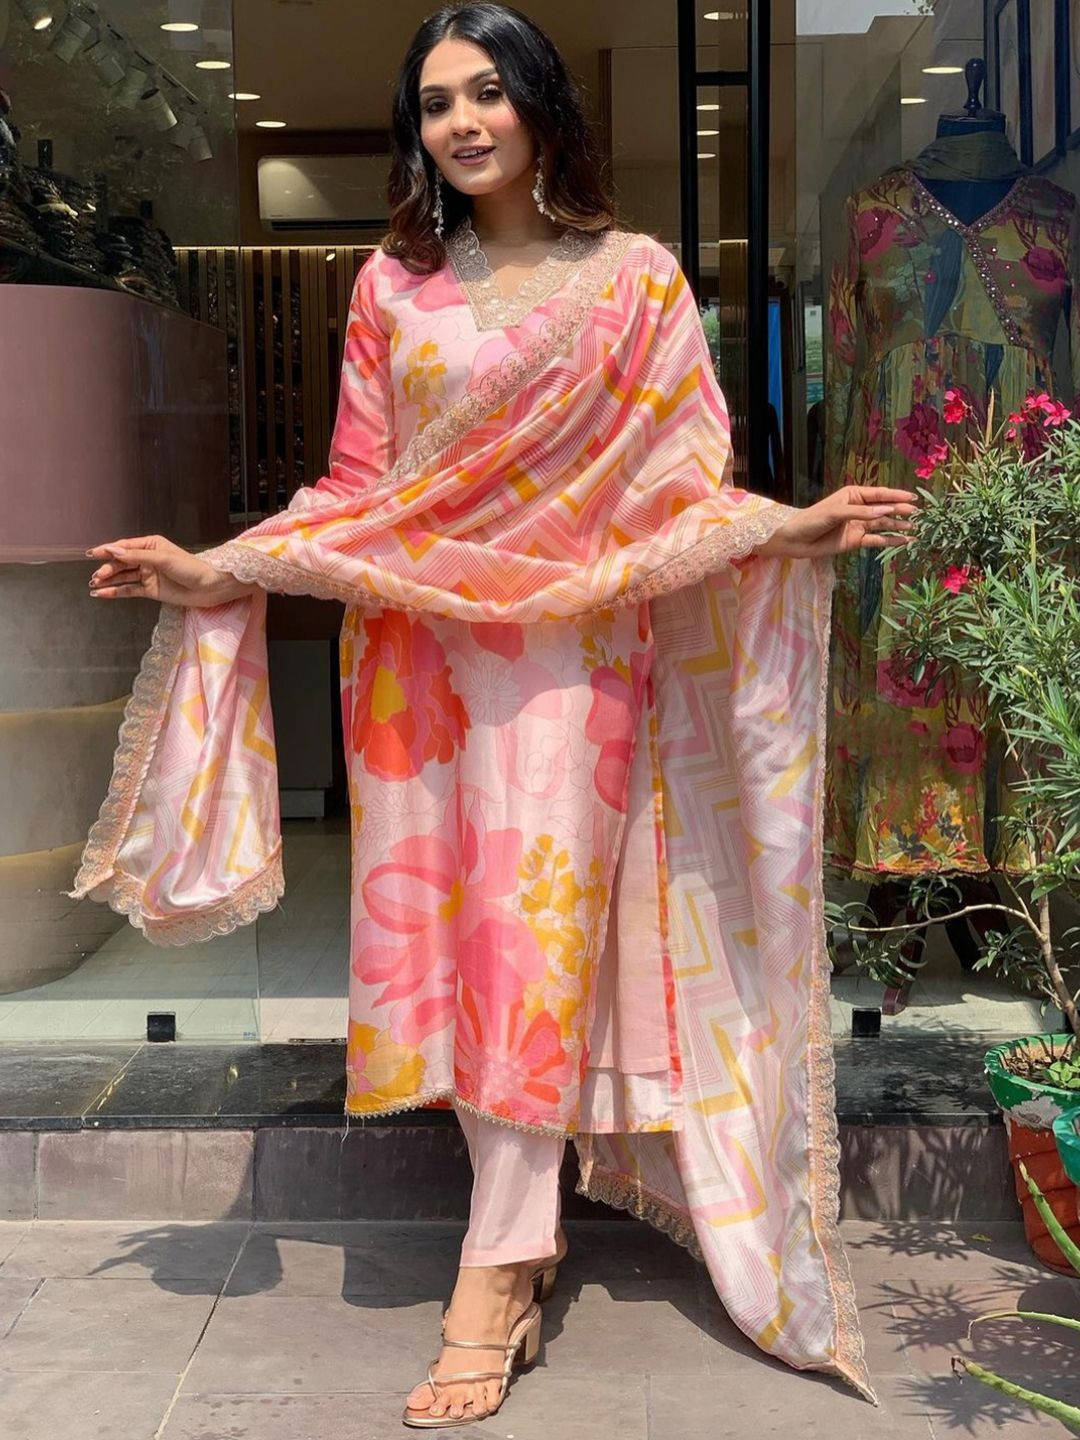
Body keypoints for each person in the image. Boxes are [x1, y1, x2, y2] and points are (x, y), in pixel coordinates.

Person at [78, 4, 916, 1428]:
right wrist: (220, 567)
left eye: (485, 93)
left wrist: (784, 527)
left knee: (532, 945)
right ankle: (514, 1238)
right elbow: (359, 492)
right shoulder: (392, 288)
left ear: (538, 104)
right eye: (435, 103)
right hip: (415, 664)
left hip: (572, 659)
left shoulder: (637, 282)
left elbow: (677, 484)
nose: (461, 123)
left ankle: (498, 1263)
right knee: (456, 948)